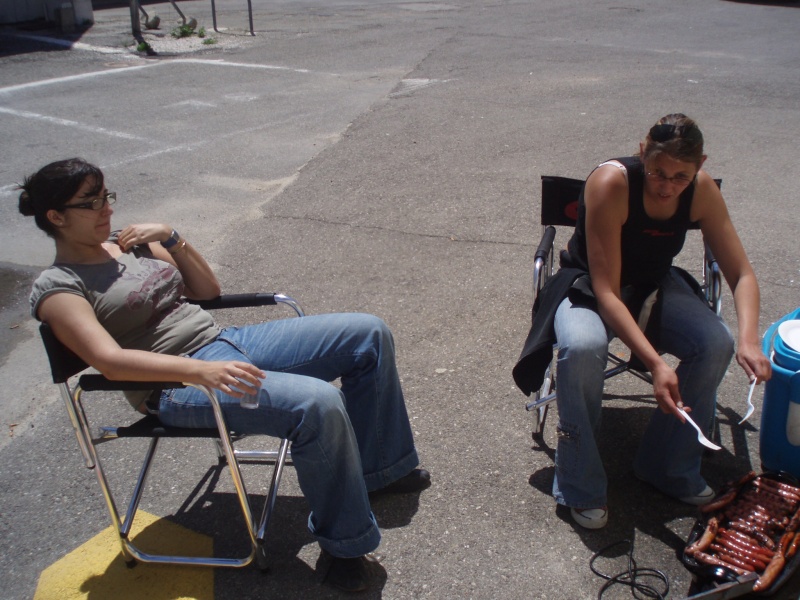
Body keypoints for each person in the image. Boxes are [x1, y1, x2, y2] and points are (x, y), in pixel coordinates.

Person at [19, 157, 430, 592]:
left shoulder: (129, 243)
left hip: (224, 342)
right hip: (175, 386)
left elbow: (206, 291)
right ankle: (346, 545)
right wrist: (198, 371)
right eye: (92, 202)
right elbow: (110, 361)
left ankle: (382, 470)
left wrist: (172, 238)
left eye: (106, 197)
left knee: (367, 332)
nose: (107, 209)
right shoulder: (59, 286)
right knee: (316, 403)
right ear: (56, 217)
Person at [513, 114, 771, 530]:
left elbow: (741, 274)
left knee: (717, 342)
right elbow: (608, 290)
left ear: (700, 165)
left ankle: (667, 466)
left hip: (652, 283)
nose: (667, 186)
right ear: (641, 153)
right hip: (589, 285)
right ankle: (580, 484)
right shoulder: (610, 182)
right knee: (582, 347)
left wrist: (749, 340)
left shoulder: (701, 191)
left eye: (680, 177)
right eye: (657, 173)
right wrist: (655, 362)